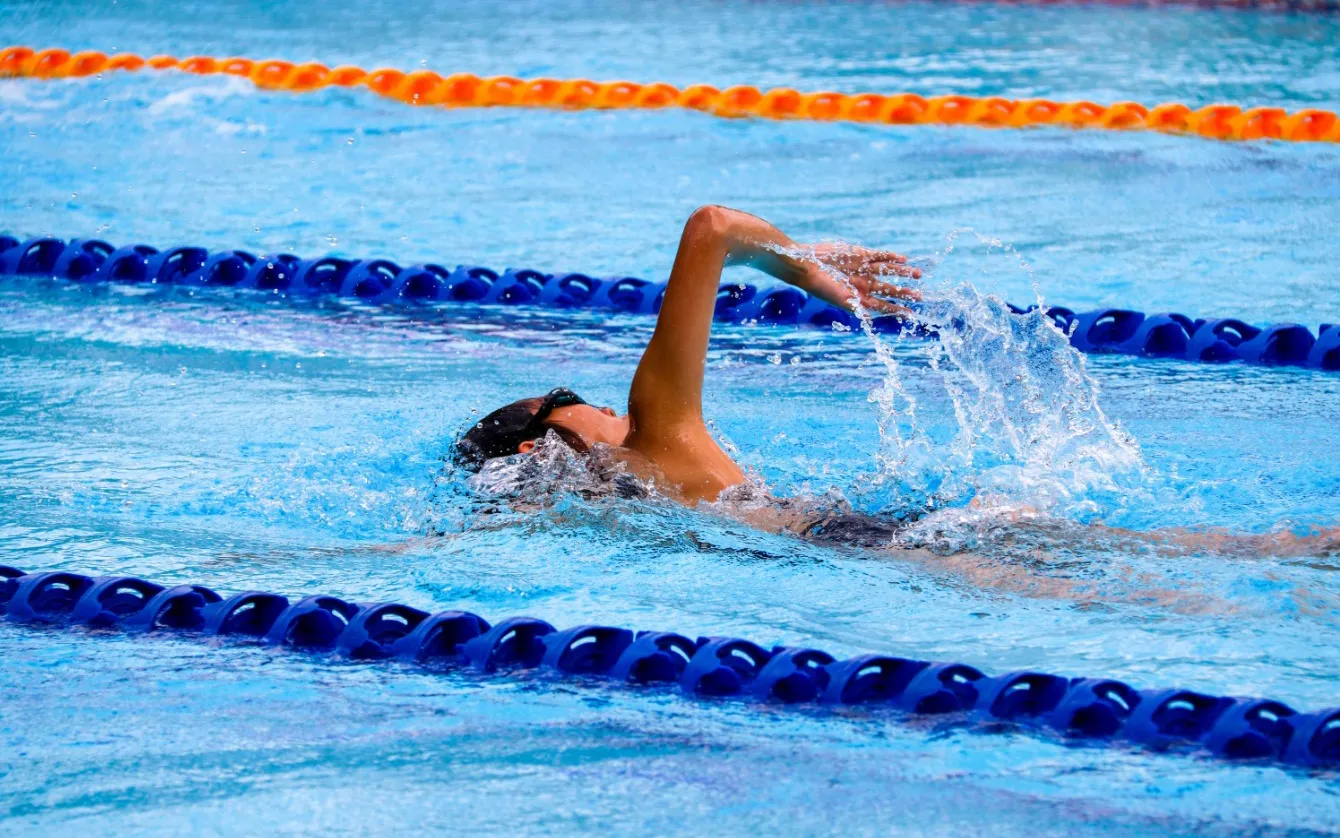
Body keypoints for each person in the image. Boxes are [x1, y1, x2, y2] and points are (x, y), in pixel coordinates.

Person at [455, 205, 920, 505]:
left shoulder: (628, 508)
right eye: (565, 398)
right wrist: (806, 268)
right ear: (536, 449)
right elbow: (713, 227)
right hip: (874, 543)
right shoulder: (654, 431)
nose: (606, 407)